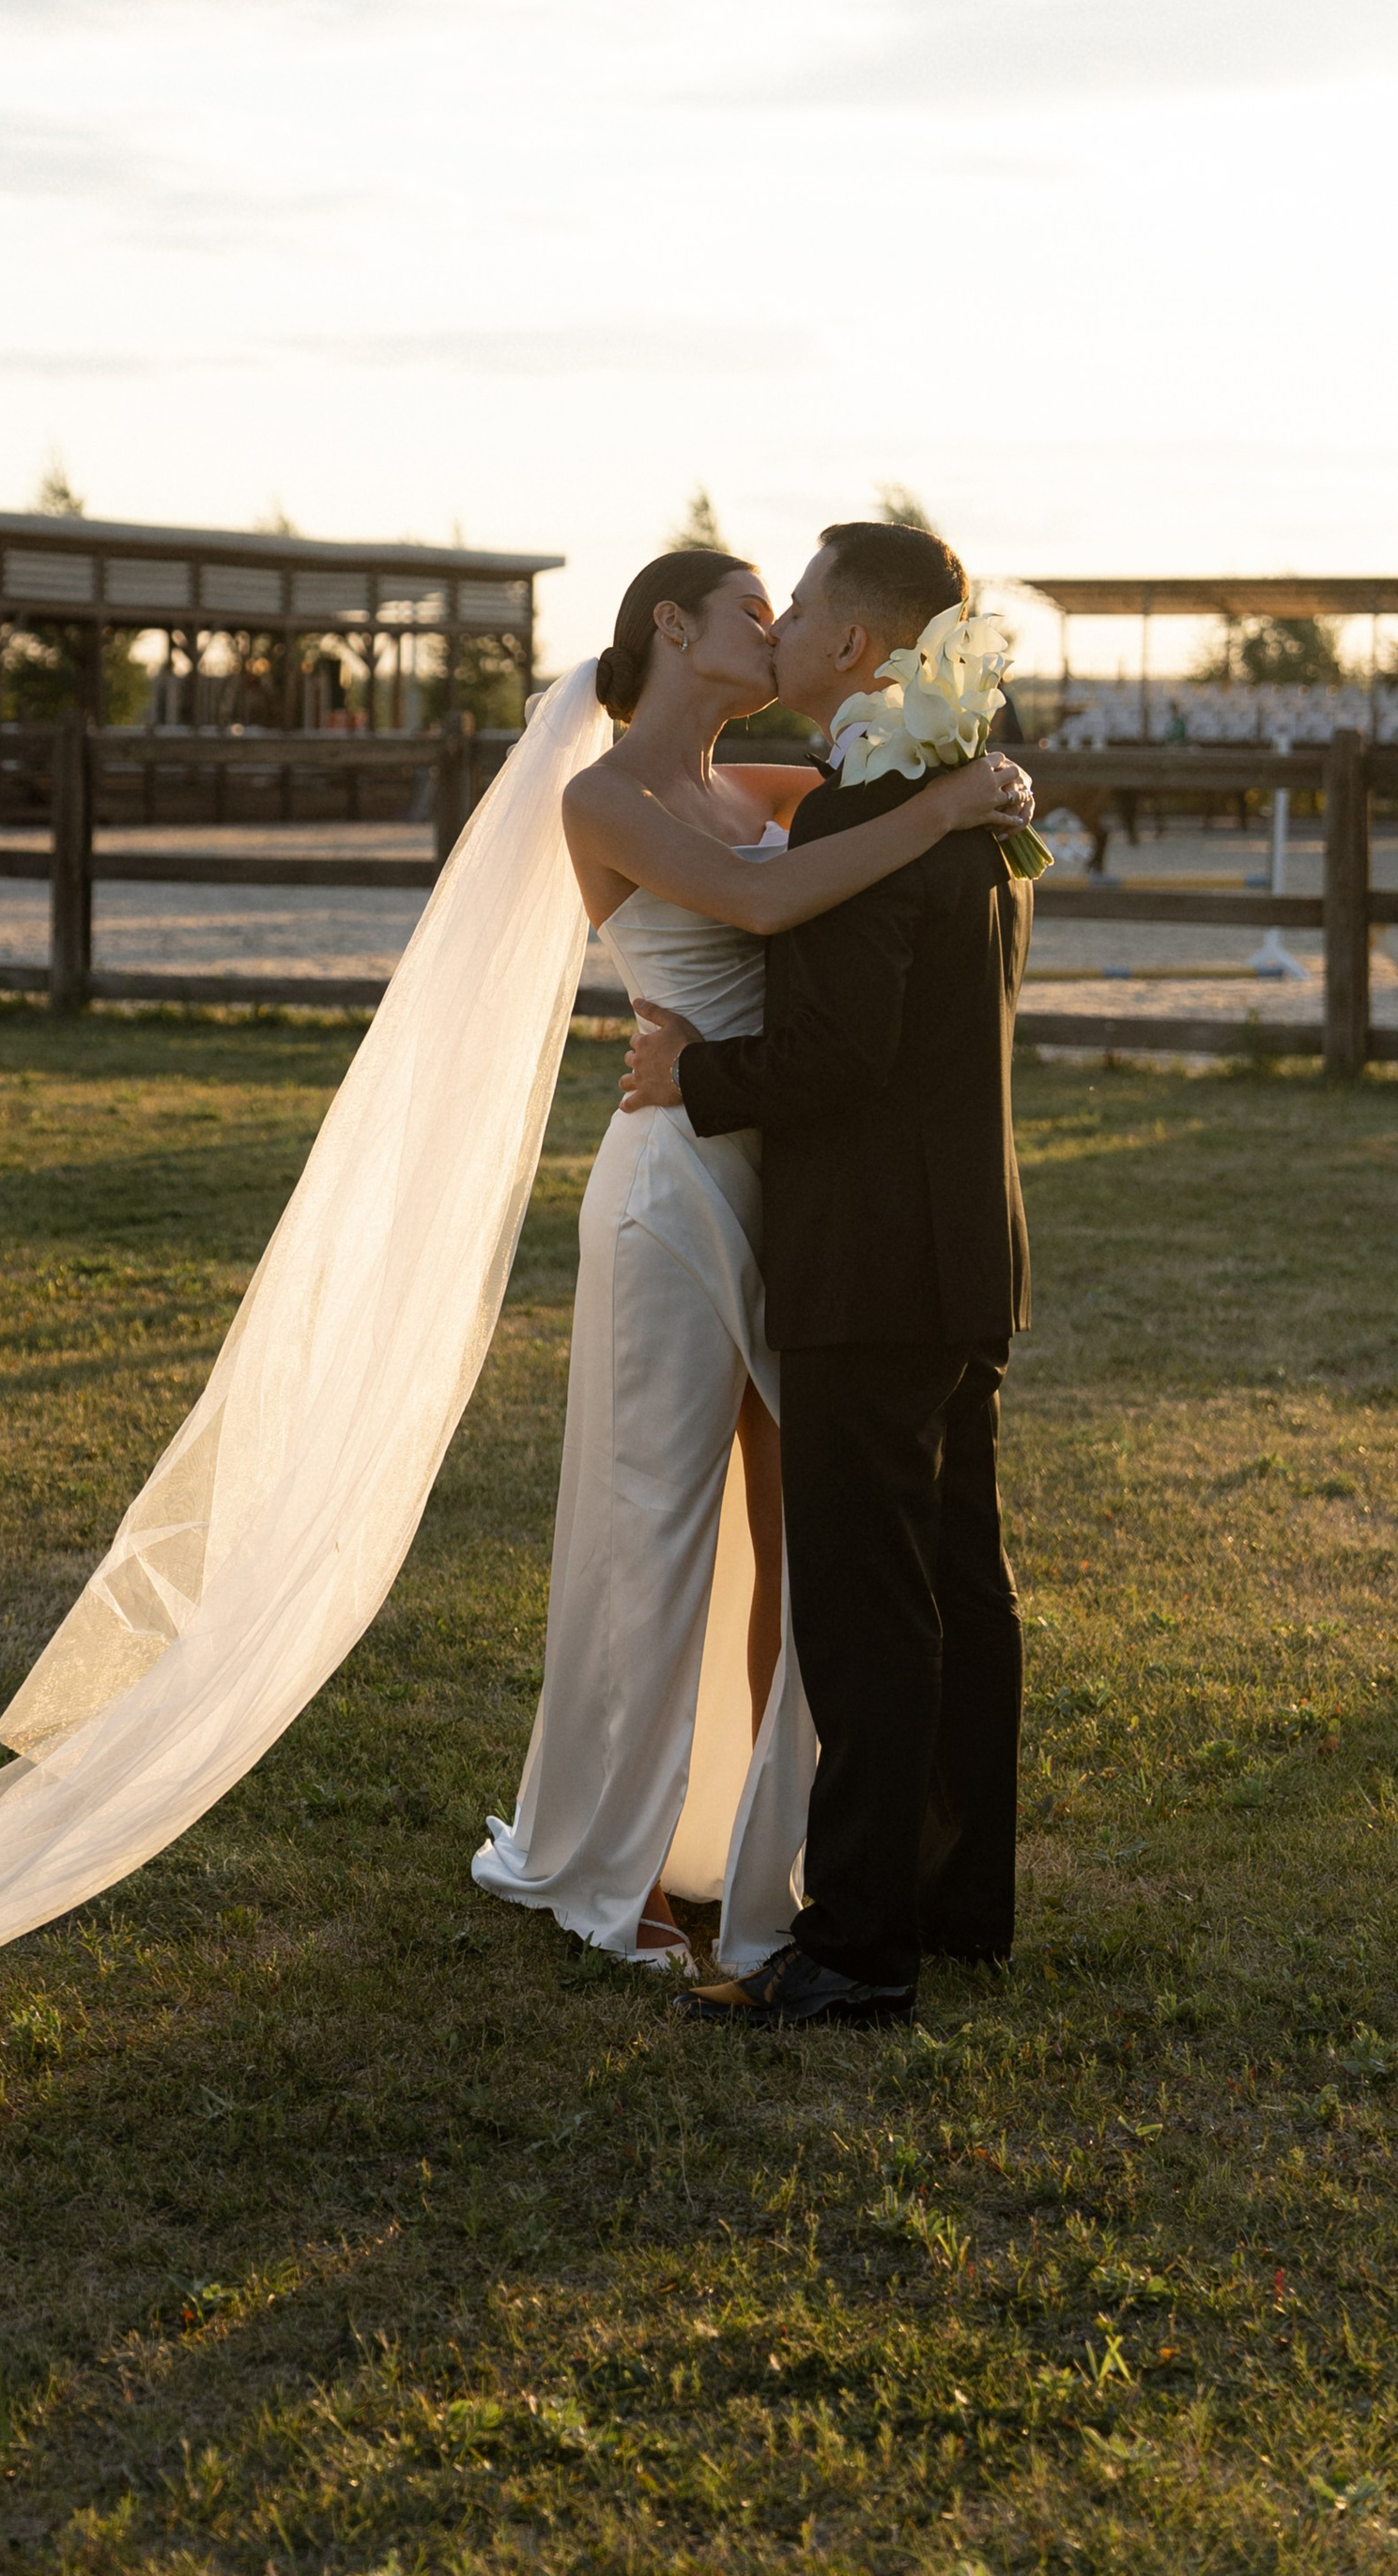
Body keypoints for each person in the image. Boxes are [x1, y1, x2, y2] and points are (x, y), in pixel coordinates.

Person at [472, 548, 1035, 1977]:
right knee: (657, 1521)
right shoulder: (600, 794)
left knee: (805, 1551)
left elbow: (862, 822)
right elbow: (770, 902)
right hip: (674, 1182)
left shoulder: (761, 788)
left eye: (792, 606)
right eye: (747, 606)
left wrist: (971, 786)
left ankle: (764, 1845)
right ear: (671, 625)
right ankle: (621, 1866)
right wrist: (957, 802)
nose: (775, 623)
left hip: (790, 1191)